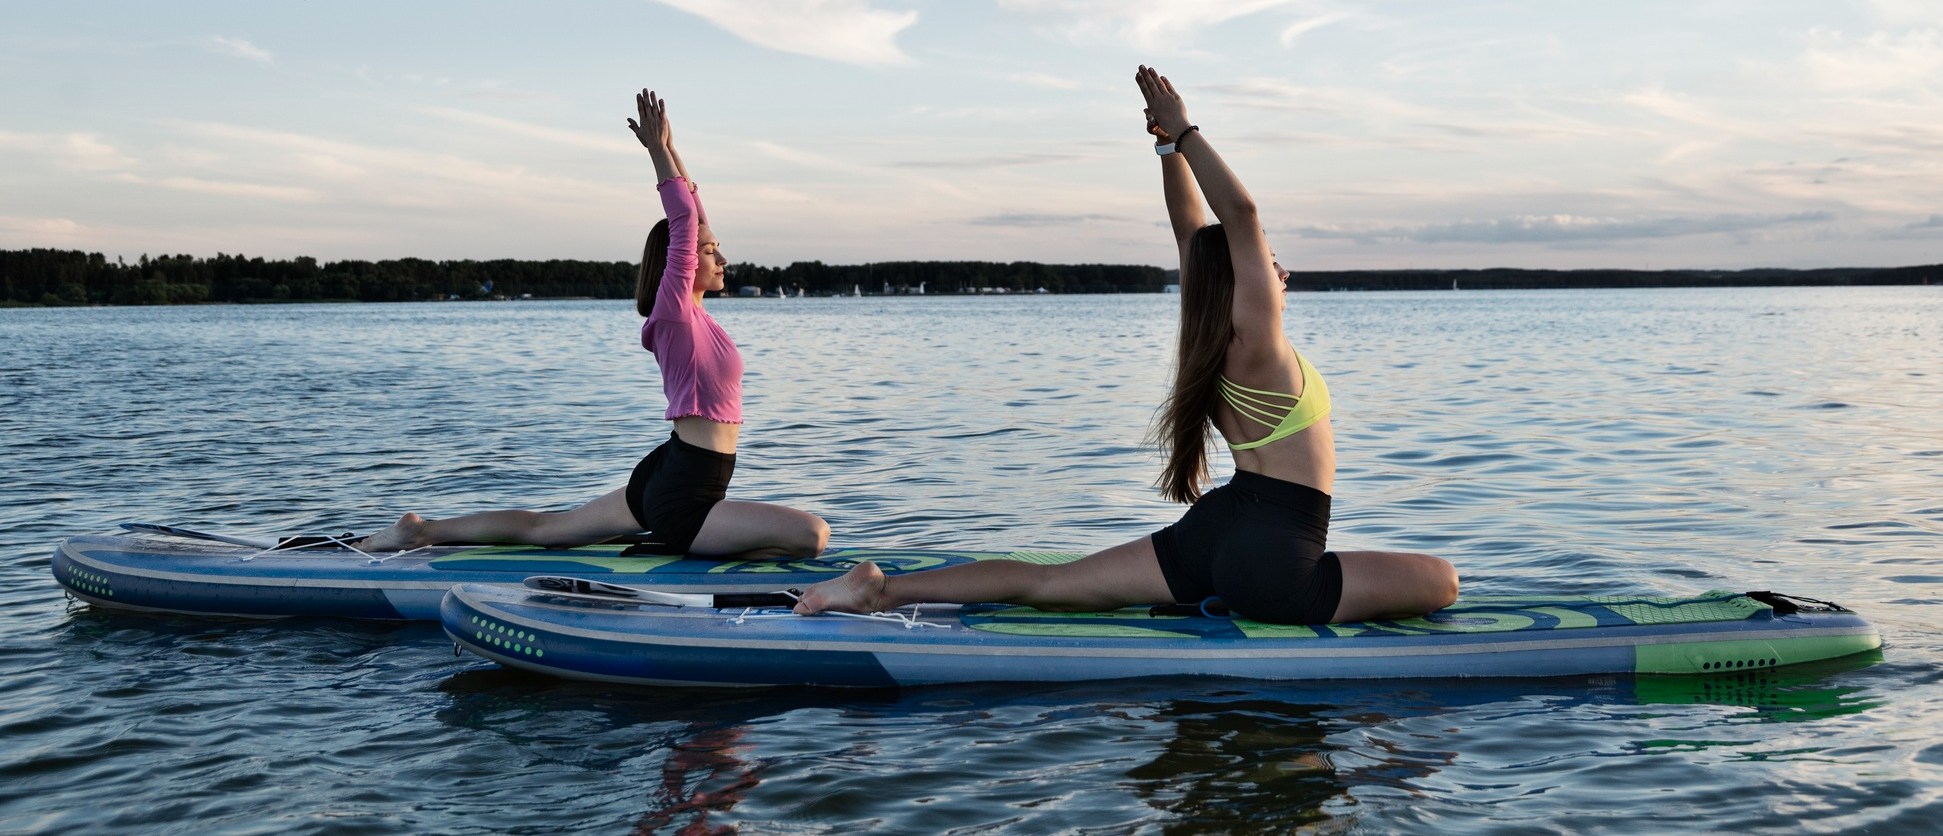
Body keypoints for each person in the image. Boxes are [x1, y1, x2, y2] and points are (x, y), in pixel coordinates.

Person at [797, 65, 1456, 621]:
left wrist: (1168, 150)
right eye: (1269, 262)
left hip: (1220, 529)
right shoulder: (1260, 344)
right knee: (1443, 580)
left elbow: (1190, 231)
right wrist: (1186, 130)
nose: (1280, 270)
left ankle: (882, 589)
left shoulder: (1211, 342)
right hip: (1276, 556)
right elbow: (1241, 216)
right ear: (1245, 281)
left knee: (1049, 582)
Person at [359, 89, 829, 558]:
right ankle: (676, 545)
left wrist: (670, 147)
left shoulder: (696, 315)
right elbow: (684, 218)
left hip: (672, 469)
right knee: (811, 536)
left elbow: (694, 212)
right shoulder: (674, 313)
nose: (722, 258)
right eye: (710, 252)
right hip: (686, 492)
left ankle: (420, 531)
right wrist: (656, 152)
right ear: (681, 260)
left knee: (548, 529)